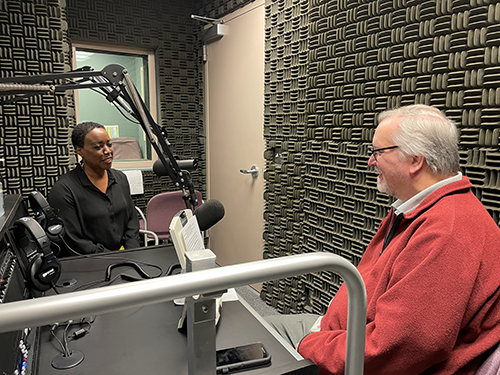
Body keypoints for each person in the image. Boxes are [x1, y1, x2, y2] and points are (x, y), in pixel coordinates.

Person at [266, 104, 500, 374]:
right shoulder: (423, 207)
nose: (370, 161)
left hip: (352, 353)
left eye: (377, 152)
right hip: (342, 333)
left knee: (248, 340)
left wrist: (313, 344)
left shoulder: (446, 231)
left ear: (415, 160)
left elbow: (398, 347)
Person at [48, 121, 141, 255]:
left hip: (125, 257)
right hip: (91, 263)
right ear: (79, 150)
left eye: (109, 144)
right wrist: (113, 257)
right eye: (98, 147)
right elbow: (74, 240)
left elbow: (132, 220)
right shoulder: (64, 190)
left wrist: (132, 251)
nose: (108, 151)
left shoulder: (120, 179)